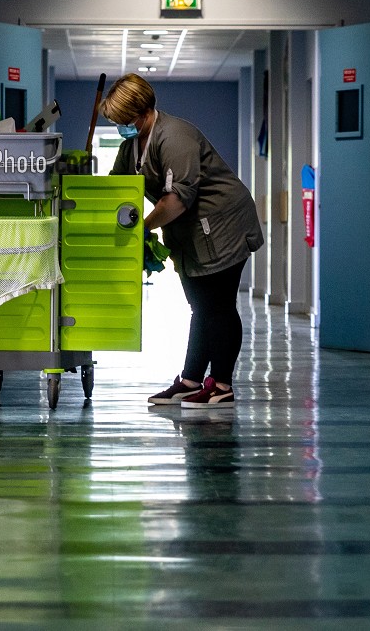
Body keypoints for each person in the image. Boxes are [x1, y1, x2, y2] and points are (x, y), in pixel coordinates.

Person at [103, 74, 263, 409]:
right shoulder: (133, 144)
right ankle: (190, 382)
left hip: (223, 224)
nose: (121, 127)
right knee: (200, 306)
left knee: (217, 306)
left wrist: (142, 229)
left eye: (123, 120)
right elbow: (115, 186)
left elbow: (177, 199)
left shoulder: (175, 137)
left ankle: (221, 385)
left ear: (143, 111)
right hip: (191, 231)